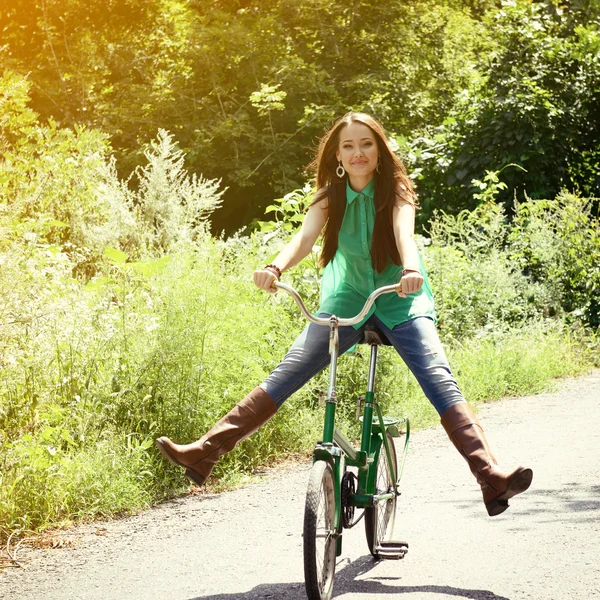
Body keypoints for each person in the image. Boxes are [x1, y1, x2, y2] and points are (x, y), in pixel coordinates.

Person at [156, 112, 533, 517]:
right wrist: (275, 268)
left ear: (379, 150)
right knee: (290, 369)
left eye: (366, 144)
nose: (358, 153)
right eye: (349, 146)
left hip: (399, 297)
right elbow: (304, 238)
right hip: (348, 299)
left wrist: (410, 272)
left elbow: (404, 234)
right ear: (337, 154)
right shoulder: (327, 196)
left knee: (438, 378)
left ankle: (490, 477)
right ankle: (205, 452)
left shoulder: (397, 190)